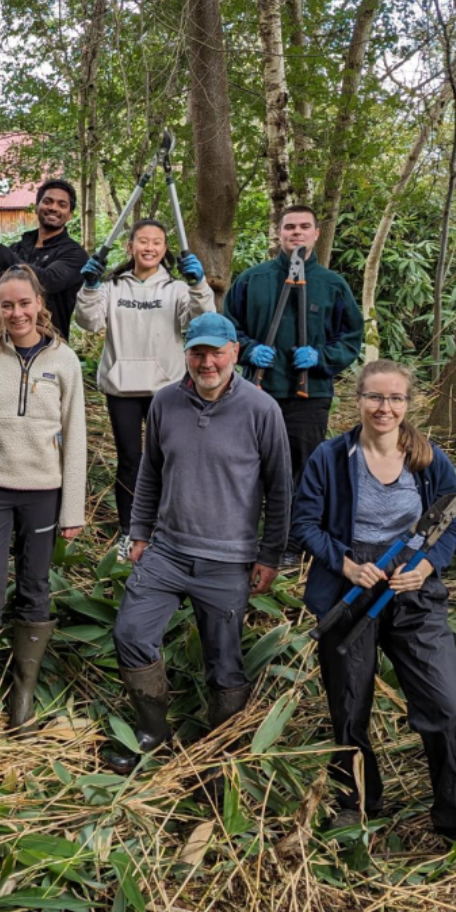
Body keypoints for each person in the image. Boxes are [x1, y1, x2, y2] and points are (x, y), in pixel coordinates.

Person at [292, 360, 456, 850]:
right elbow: (304, 524)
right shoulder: (330, 457)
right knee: (349, 706)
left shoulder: (432, 461)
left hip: (413, 590)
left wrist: (429, 565)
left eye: (395, 399)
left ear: (409, 404)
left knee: (449, 706)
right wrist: (346, 565)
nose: (384, 408)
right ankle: (356, 805)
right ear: (358, 399)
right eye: (374, 397)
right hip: (350, 589)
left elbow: (449, 520)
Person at [102, 313, 292, 774]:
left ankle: (221, 754)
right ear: (185, 353)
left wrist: (270, 555)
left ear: (235, 354)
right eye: (197, 352)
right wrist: (139, 533)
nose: (207, 362)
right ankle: (152, 731)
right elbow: (149, 472)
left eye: (216, 352)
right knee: (130, 633)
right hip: (167, 550)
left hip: (229, 559)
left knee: (224, 662)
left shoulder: (262, 410)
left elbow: (281, 487)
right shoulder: (165, 402)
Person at [0, 266, 88, 729]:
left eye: (24, 303)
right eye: (6, 305)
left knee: (35, 588)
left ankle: (22, 696)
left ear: (39, 303)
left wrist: (73, 507)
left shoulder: (64, 360)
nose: (16, 313)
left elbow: (76, 436)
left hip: (43, 492)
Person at [73, 218, 214, 555]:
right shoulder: (113, 287)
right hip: (121, 389)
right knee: (129, 461)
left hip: (166, 390)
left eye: (157, 242)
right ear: (130, 246)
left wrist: (199, 285)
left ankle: (168, 531)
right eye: (143, 241)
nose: (149, 248)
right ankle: (129, 531)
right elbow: (89, 322)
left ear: (165, 250)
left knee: (169, 459)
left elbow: (200, 323)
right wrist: (90, 287)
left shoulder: (177, 289)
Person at [223, 204, 363, 486]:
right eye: (290, 227)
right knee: (248, 472)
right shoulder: (252, 279)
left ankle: (293, 531)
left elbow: (351, 337)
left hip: (309, 397)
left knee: (302, 475)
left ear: (316, 234)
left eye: (304, 227)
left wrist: (321, 357)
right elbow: (228, 329)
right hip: (256, 394)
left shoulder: (332, 284)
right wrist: (248, 351)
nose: (297, 232)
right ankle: (246, 530)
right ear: (279, 233)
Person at [0, 178, 89, 407]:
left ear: (70, 214)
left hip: (46, 347)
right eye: (47, 201)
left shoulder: (74, 254)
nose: (53, 208)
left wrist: (0, 253)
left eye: (62, 205)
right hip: (5, 341)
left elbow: (46, 281)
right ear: (37, 206)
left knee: (37, 411)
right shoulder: (21, 248)